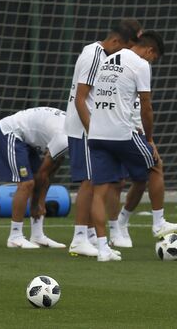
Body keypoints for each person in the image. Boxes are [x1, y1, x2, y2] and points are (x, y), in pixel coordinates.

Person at [86, 30, 165, 262]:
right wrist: (149, 140)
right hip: (121, 134)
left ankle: (103, 248)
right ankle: (159, 223)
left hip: (97, 134)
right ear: (150, 51)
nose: (152, 61)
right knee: (156, 165)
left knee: (100, 192)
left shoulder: (108, 61)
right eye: (154, 57)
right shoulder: (141, 65)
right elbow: (146, 107)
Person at [65, 19, 142, 257]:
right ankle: (79, 237)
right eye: (125, 49)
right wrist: (93, 130)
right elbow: (81, 98)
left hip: (92, 128)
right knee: (90, 182)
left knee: (100, 182)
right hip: (84, 129)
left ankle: (89, 235)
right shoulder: (94, 55)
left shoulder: (100, 54)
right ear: (117, 41)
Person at [107, 95, 177, 248]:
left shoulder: (139, 74)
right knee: (120, 180)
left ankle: (122, 221)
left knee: (140, 180)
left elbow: (141, 106)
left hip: (134, 130)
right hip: (120, 130)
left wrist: (149, 139)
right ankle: (111, 232)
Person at [0, 107, 69, 249]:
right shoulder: (65, 139)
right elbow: (42, 174)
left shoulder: (73, 135)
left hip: (27, 139)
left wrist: (41, 200)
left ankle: (37, 235)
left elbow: (49, 174)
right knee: (26, 183)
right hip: (9, 132)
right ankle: (15, 236)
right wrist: (36, 203)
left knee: (38, 180)